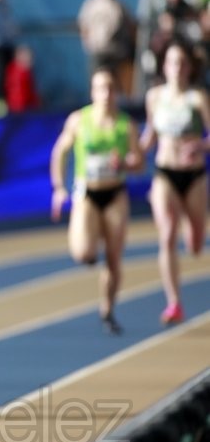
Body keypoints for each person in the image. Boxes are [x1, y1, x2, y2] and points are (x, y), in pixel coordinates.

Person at [50, 68, 142, 334]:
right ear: (92, 92)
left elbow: (137, 164)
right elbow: (60, 152)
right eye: (100, 88)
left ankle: (108, 310)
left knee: (114, 260)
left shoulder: (126, 125)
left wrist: (125, 162)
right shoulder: (79, 121)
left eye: (110, 88)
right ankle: (90, 250)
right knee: (82, 252)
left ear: (117, 92)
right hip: (87, 193)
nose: (105, 94)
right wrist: (58, 188)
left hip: (115, 194)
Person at [139, 41, 210, 325]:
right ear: (164, 66)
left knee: (194, 243)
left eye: (182, 63)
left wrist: (200, 147)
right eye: (172, 62)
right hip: (165, 172)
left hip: (193, 176)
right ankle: (174, 303)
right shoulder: (154, 97)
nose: (177, 68)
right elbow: (149, 135)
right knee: (166, 233)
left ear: (189, 68)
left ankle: (189, 228)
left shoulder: (198, 98)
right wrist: (133, 154)